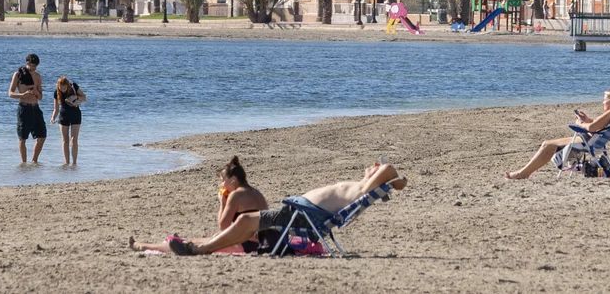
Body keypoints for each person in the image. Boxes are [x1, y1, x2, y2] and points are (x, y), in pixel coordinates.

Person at [137, 160, 406, 256]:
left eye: (373, 168)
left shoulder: (359, 189)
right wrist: (384, 178)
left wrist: (396, 180)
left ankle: (200, 249)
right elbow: (385, 173)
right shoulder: (357, 187)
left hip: (302, 215)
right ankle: (199, 246)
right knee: (246, 225)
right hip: (301, 212)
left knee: (244, 223)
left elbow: (388, 169)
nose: (372, 166)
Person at [129, 157, 273, 254]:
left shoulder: (236, 195)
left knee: (194, 244)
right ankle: (174, 241)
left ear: (234, 180)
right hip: (257, 242)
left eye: (223, 180)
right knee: (205, 239)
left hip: (244, 245)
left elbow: (223, 225)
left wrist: (222, 202)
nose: (221, 184)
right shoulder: (256, 193)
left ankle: (145, 246)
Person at [503, 89, 610, 179]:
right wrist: (586, 120)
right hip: (592, 139)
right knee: (549, 145)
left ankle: (523, 173)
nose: (603, 102)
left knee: (547, 145)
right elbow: (597, 126)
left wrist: (580, 123)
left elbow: (592, 128)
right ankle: (525, 172)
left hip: (588, 141)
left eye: (604, 100)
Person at [8, 53, 46, 164]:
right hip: (24, 108)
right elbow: (10, 93)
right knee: (22, 138)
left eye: (36, 66)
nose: (34, 68)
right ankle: (24, 163)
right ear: (27, 63)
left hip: (35, 108)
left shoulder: (37, 76)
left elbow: (41, 97)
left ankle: (34, 161)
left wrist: (36, 92)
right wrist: (23, 95)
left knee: (42, 136)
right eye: (33, 66)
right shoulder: (18, 74)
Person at [49, 76, 85, 165]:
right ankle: (66, 163)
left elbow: (84, 98)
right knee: (65, 140)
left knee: (74, 140)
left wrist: (75, 97)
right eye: (61, 88)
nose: (63, 90)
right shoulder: (56, 92)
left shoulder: (74, 87)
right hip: (63, 116)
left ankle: (74, 163)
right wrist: (53, 117)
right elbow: (56, 108)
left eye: (64, 88)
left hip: (75, 115)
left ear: (67, 85)